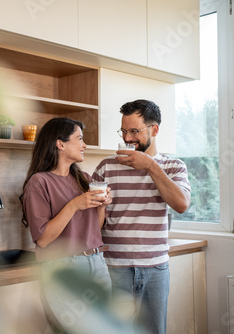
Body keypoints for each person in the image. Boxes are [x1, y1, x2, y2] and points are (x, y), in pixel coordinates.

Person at [92, 99, 191, 334]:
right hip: (114, 268)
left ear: (154, 130)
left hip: (156, 268)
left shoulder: (173, 166)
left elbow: (181, 204)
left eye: (135, 131)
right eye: (124, 131)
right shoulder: (106, 167)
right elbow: (93, 223)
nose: (127, 138)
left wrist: (151, 166)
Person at [20, 117, 113, 333]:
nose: (85, 145)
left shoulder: (84, 179)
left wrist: (102, 205)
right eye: (79, 139)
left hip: (97, 262)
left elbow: (94, 230)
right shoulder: (39, 182)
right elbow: (43, 238)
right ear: (60, 144)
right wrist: (74, 205)